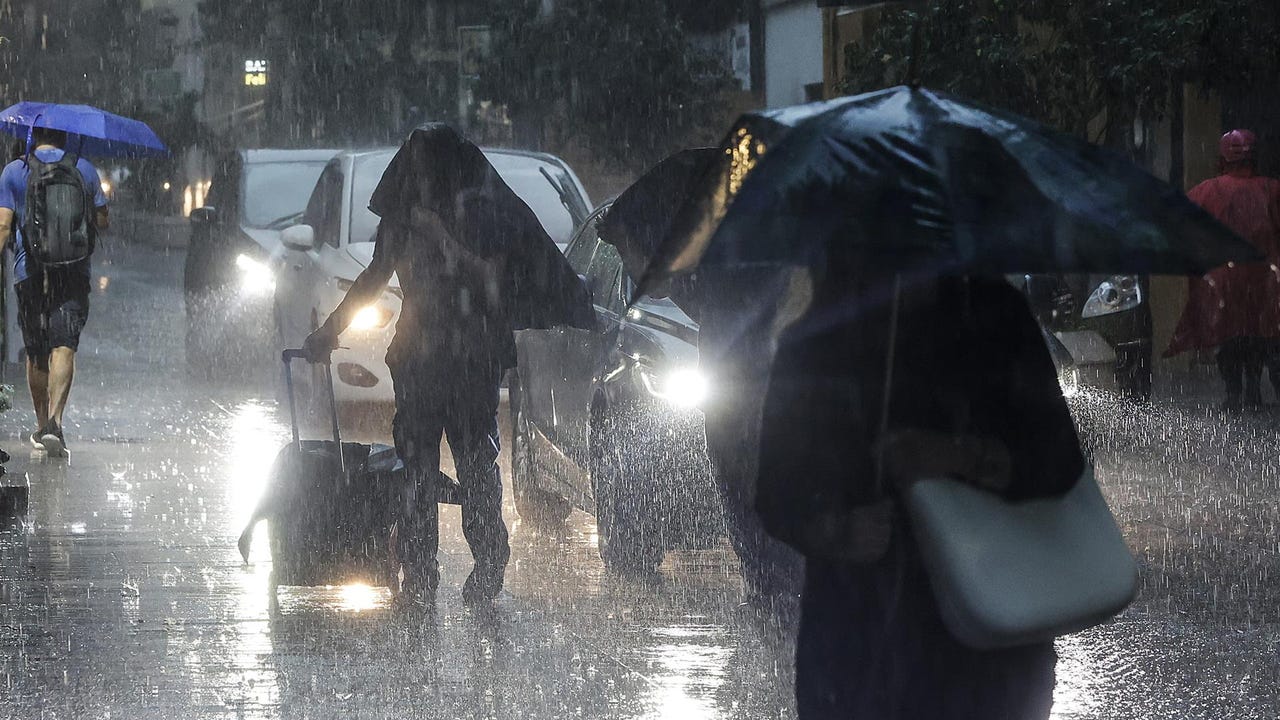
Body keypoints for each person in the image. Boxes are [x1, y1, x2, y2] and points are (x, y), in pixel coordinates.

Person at [753, 262, 1082, 717]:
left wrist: (959, 456)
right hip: (859, 643)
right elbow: (777, 493)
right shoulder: (818, 342)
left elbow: (1059, 461)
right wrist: (837, 531)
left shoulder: (995, 318)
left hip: (989, 641)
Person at [303, 125, 590, 605]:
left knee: (474, 463)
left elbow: (493, 275)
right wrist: (331, 332)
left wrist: (443, 237)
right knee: (417, 468)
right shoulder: (403, 216)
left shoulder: (481, 212)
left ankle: (488, 559)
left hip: (470, 358)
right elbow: (375, 277)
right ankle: (420, 572)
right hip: (419, 360)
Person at [0, 127, 109, 457]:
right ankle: (56, 425)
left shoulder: (15, 171)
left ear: (34, 136)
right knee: (64, 345)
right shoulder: (85, 169)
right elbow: (103, 220)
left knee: (36, 349)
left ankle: (41, 421)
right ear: (65, 137)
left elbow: (4, 225)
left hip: (29, 271)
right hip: (73, 270)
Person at [1165, 129, 1280, 411]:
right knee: (1258, 335)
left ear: (1222, 159)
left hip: (1222, 281)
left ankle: (1234, 394)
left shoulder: (1206, 191)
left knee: (1228, 336)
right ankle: (1253, 391)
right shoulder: (1272, 190)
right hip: (1263, 280)